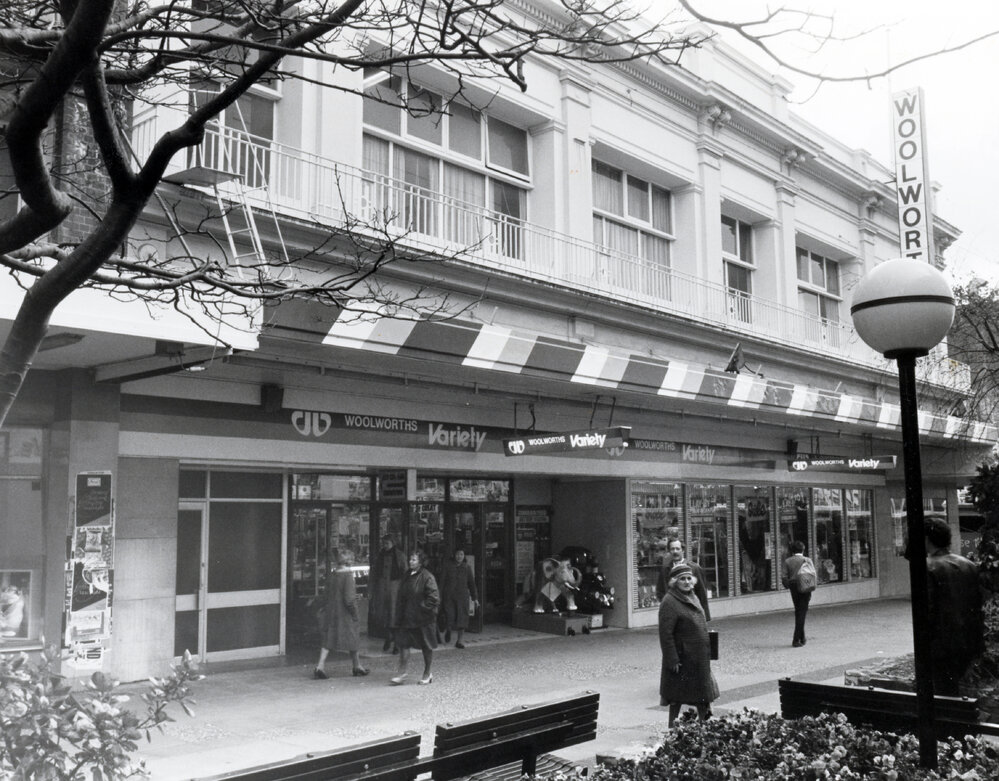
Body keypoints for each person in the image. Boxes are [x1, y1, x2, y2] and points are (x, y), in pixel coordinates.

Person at [924, 516, 984, 695]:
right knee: (955, 689)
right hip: (967, 641)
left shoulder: (928, 567)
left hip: (941, 645)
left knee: (944, 692)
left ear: (927, 539)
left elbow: (928, 609)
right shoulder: (969, 565)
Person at [658, 563, 718, 725]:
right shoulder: (669, 601)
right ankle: (673, 729)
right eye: (682, 579)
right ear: (674, 582)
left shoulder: (692, 596)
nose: (686, 582)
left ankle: (704, 729)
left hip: (697, 657)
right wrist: (672, 659)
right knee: (677, 699)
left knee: (702, 697)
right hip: (683, 659)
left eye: (689, 578)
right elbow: (665, 634)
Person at [314, 550, 369, 680]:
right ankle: (357, 666)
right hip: (345, 613)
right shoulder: (348, 577)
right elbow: (349, 600)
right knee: (353, 637)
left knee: (328, 639)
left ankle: (320, 666)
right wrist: (355, 614)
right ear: (348, 561)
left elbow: (326, 595)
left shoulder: (333, 575)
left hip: (332, 611)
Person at [390, 550, 440, 685]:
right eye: (410, 559)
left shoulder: (427, 577)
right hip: (407, 616)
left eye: (414, 560)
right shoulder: (407, 575)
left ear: (421, 562)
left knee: (426, 645)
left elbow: (434, 598)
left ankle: (427, 672)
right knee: (403, 644)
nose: (410, 562)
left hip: (422, 618)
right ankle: (402, 672)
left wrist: (422, 608)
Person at [655, 538, 711, 619]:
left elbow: (701, 593)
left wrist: (704, 616)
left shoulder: (694, 568)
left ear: (683, 550)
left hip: (691, 614)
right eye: (672, 549)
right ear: (669, 551)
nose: (675, 551)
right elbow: (660, 591)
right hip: (672, 614)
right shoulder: (665, 569)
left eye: (677, 549)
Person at [369, 534, 407, 653]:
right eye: (384, 543)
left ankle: (396, 643)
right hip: (382, 588)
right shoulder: (380, 556)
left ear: (392, 543)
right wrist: (371, 589)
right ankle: (389, 636)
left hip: (395, 588)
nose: (385, 546)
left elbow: (405, 572)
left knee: (394, 615)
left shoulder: (400, 556)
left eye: (387, 543)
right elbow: (374, 572)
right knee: (384, 615)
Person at [440, 548, 478, 649]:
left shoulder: (467, 568)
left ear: (464, 556)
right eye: (457, 554)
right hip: (449, 596)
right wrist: (438, 596)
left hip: (462, 597)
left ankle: (459, 641)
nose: (459, 556)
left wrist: (475, 598)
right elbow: (442, 583)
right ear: (454, 555)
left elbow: (471, 584)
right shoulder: (447, 567)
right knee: (449, 615)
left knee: (462, 619)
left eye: (461, 554)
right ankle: (448, 629)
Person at [781, 540, 814, 647]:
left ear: (792, 550)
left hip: (794, 587)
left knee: (798, 611)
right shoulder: (807, 560)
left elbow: (784, 577)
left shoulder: (788, 561)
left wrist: (789, 586)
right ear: (803, 549)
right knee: (802, 612)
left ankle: (802, 637)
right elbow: (813, 574)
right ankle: (796, 640)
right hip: (806, 585)